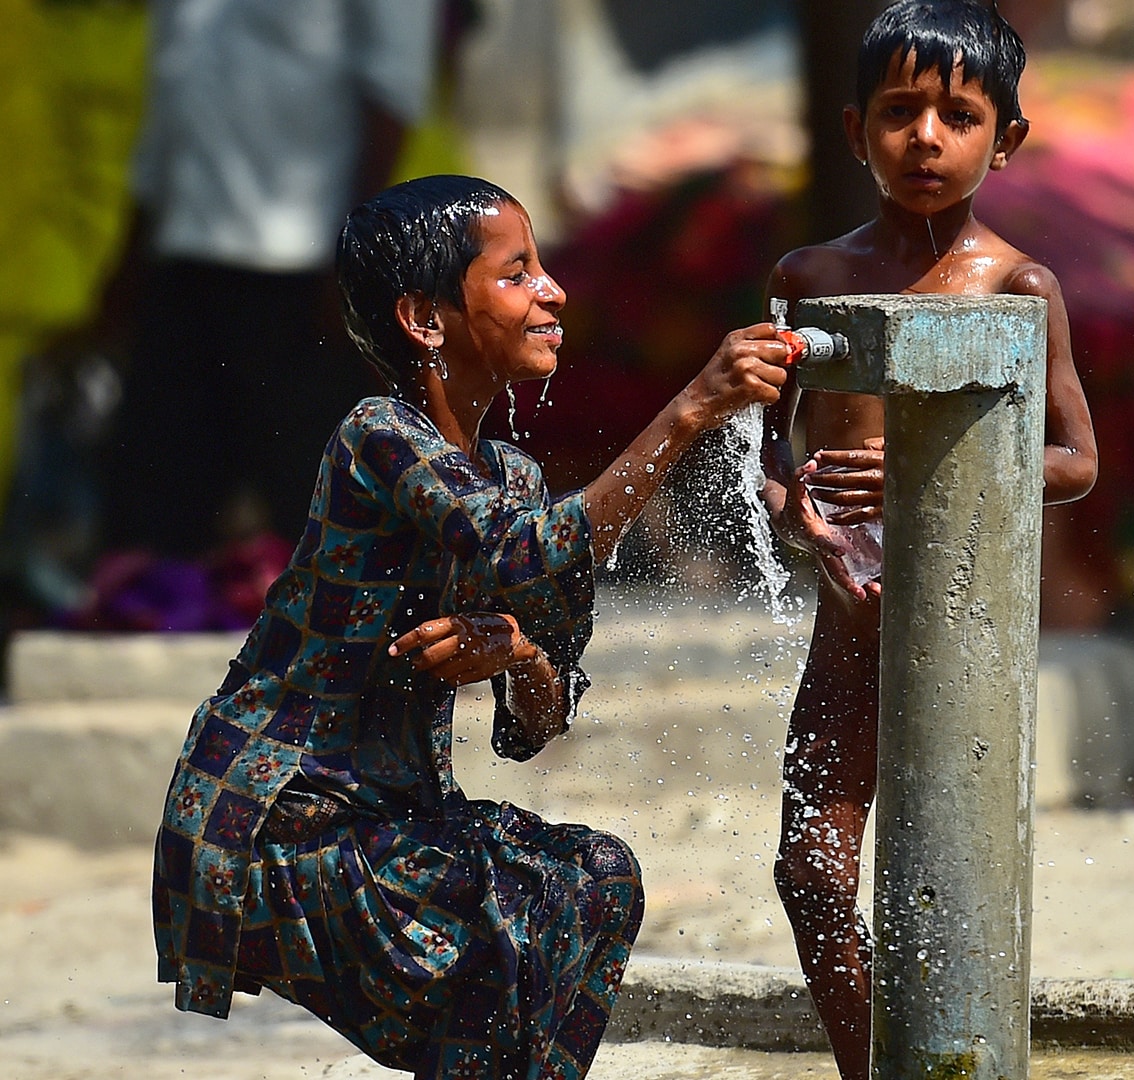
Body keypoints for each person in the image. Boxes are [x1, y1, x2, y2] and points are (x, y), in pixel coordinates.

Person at [152, 175, 792, 1078]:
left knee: (598, 880)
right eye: (517, 272)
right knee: (502, 930)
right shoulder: (377, 436)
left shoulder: (516, 475)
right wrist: (689, 410)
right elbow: (521, 552)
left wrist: (519, 652)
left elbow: (543, 714)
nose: (554, 292)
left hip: (393, 821)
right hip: (280, 821)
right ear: (425, 319)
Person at [758, 3, 1097, 1075]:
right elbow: (764, 451)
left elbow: (1075, 462)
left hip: (959, 627)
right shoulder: (809, 279)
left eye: (959, 116)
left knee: (942, 871)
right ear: (857, 130)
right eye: (901, 112)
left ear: (1008, 139)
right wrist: (792, 513)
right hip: (848, 619)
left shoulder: (1015, 287)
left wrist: (917, 484)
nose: (927, 139)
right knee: (810, 874)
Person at [96, 0, 437, 615]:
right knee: (151, 513)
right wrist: (130, 259)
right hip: (184, 254)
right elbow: (171, 100)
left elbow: (394, 91)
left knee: (317, 505)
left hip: (297, 267)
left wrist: (352, 259)